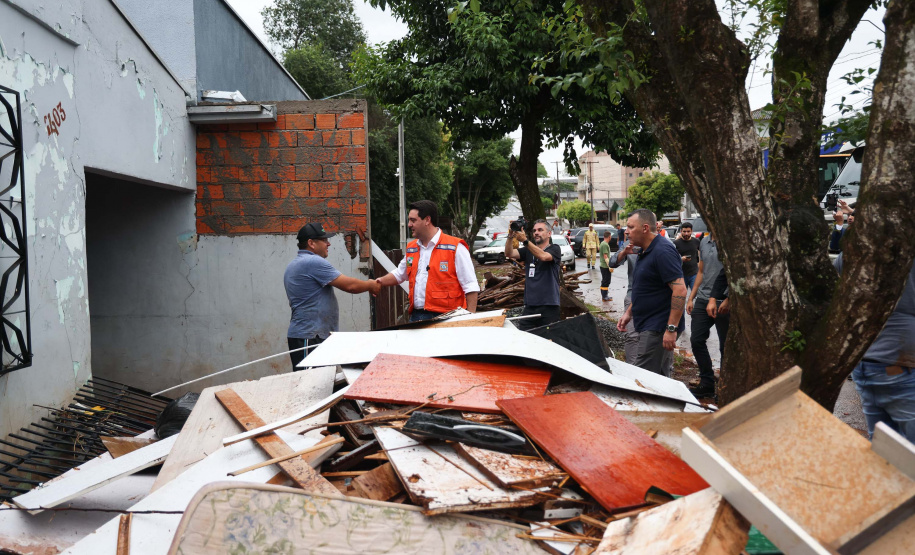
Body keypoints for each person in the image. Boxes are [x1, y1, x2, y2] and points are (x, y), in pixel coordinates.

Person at [836, 254, 915, 442]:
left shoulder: (860, 245)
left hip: (865, 361)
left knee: (883, 444)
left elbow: (838, 269)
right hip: (900, 363)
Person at [284, 223, 381, 371]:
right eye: (324, 240)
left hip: (309, 335)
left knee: (319, 381)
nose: (328, 243)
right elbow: (350, 286)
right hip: (310, 337)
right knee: (312, 382)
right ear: (311, 243)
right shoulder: (313, 262)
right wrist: (370, 285)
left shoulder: (294, 264)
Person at [376, 200, 479, 322]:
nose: (409, 224)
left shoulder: (455, 247)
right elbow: (400, 274)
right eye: (409, 220)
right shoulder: (412, 248)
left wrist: (470, 320)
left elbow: (470, 285)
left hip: (448, 318)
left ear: (427, 220)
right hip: (417, 316)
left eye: (413, 220)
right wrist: (379, 282)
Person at [617, 209, 687, 376]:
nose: (626, 231)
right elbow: (645, 289)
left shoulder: (663, 251)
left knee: (643, 377)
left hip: (658, 327)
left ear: (645, 228)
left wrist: (671, 329)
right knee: (660, 377)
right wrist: (629, 313)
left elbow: (680, 290)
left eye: (630, 227)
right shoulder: (645, 250)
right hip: (649, 324)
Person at [685, 232, 729, 398]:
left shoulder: (729, 240)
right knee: (696, 340)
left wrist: (729, 298)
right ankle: (707, 383)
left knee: (725, 347)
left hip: (723, 300)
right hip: (703, 298)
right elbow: (701, 271)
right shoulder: (704, 241)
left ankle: (725, 388)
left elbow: (735, 272)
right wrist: (691, 297)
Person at [505, 219, 562, 331]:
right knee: (526, 337)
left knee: (549, 338)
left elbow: (543, 256)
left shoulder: (555, 248)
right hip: (530, 305)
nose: (536, 233)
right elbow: (509, 253)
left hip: (549, 305)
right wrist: (510, 236)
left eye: (540, 230)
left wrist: (525, 240)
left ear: (549, 233)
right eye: (534, 230)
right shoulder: (528, 251)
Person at [609, 228, 641, 363]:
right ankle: (632, 370)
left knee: (653, 337)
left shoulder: (662, 245)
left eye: (631, 227)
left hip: (654, 298)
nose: (626, 232)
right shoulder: (628, 244)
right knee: (632, 336)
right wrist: (624, 253)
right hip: (632, 295)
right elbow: (612, 262)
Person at [674, 222, 700, 294]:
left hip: (694, 273)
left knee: (695, 294)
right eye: (684, 231)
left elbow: (700, 254)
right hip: (681, 275)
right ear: (681, 231)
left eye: (688, 231)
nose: (686, 234)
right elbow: (672, 258)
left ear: (691, 231)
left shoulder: (696, 241)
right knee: (681, 295)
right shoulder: (676, 243)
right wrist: (681, 259)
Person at [598, 231, 614, 302]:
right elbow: (605, 256)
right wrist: (609, 266)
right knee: (606, 281)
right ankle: (604, 296)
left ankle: (604, 295)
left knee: (605, 280)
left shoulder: (603, 243)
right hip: (605, 266)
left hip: (603, 265)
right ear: (609, 237)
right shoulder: (605, 244)